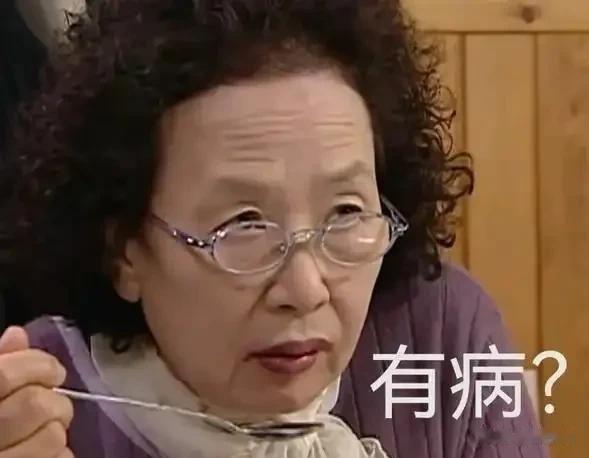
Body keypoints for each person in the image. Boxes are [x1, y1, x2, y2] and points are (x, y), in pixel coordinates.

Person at [0, 1, 547, 457]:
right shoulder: (36, 401)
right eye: (243, 226)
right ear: (124, 251)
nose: (305, 291)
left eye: (346, 212)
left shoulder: (443, 338)